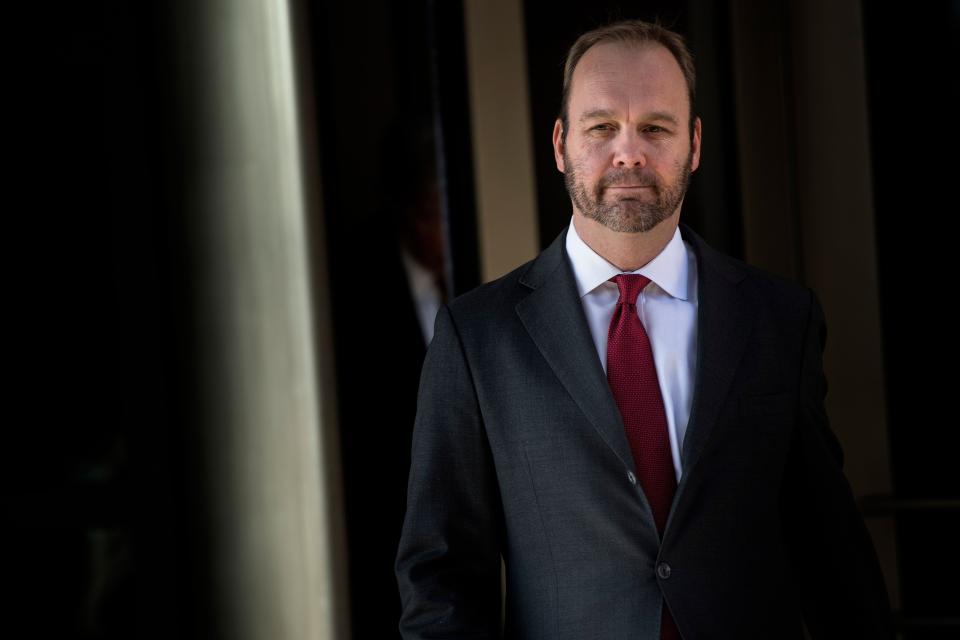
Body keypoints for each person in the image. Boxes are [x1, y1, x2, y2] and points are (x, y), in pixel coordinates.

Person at [395, 18, 893, 639]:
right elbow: (440, 578)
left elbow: (832, 555)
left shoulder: (778, 320)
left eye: (655, 128)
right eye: (601, 127)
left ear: (695, 144)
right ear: (559, 144)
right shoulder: (477, 338)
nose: (628, 152)